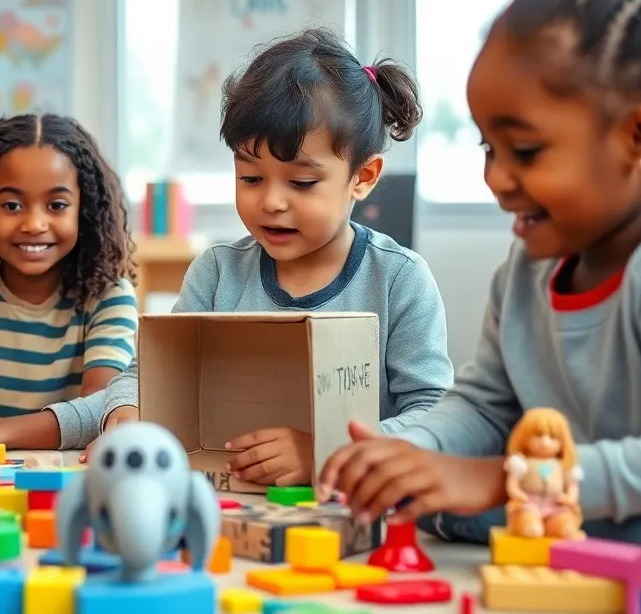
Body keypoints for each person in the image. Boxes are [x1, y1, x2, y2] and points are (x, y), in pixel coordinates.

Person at [318, 0, 641, 558]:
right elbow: (486, 406)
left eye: (526, 151)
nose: (497, 179)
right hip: (570, 514)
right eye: (488, 148)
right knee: (439, 509)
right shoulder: (527, 269)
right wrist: (403, 449)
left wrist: (505, 479)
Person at [92, 28, 454, 484]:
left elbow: (434, 418)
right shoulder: (218, 272)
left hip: (346, 512)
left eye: (301, 183)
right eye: (250, 178)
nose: (271, 202)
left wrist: (326, 451)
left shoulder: (399, 279)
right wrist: (126, 411)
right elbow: (143, 375)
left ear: (363, 177)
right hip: (225, 499)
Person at [0, 113, 138, 450]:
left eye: (56, 205)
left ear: (83, 211)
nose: (34, 224)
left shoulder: (107, 296)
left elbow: (104, 407)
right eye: (12, 205)